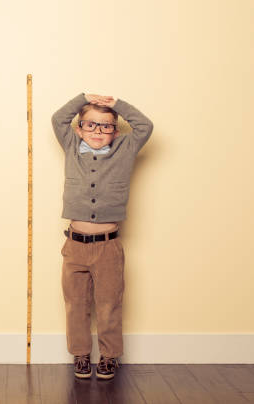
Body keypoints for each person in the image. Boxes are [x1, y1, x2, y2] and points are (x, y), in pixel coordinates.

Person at [51, 92, 153, 380]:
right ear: (79, 128)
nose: (97, 131)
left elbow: (145, 126)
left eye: (106, 126)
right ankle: (81, 354)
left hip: (108, 247)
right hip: (74, 246)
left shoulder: (126, 148)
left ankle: (110, 356)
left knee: (109, 303)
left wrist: (115, 104)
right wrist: (83, 98)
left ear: (116, 130)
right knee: (76, 304)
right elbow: (58, 119)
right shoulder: (71, 145)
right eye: (91, 125)